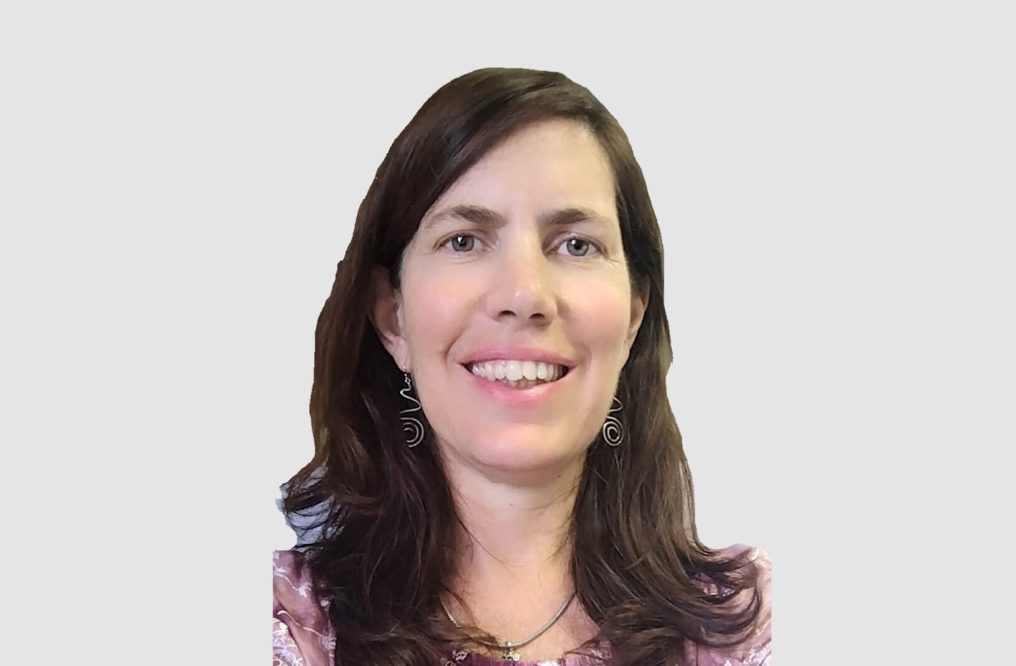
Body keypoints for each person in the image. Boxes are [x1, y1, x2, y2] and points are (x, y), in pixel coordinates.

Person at [274, 67, 771, 666]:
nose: (526, 294)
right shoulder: (282, 627)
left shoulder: (756, 629)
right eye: (464, 240)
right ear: (393, 318)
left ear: (634, 315)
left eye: (575, 244)